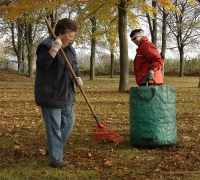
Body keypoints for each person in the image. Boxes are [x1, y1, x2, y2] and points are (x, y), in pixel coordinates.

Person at [34, 18, 83, 169]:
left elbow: (73, 65)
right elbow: (42, 65)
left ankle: (53, 148)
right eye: (70, 36)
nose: (72, 39)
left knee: (69, 122)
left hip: (66, 93)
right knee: (54, 127)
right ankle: (56, 159)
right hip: (50, 94)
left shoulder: (70, 48)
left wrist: (78, 76)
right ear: (60, 34)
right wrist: (54, 49)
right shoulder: (46, 45)